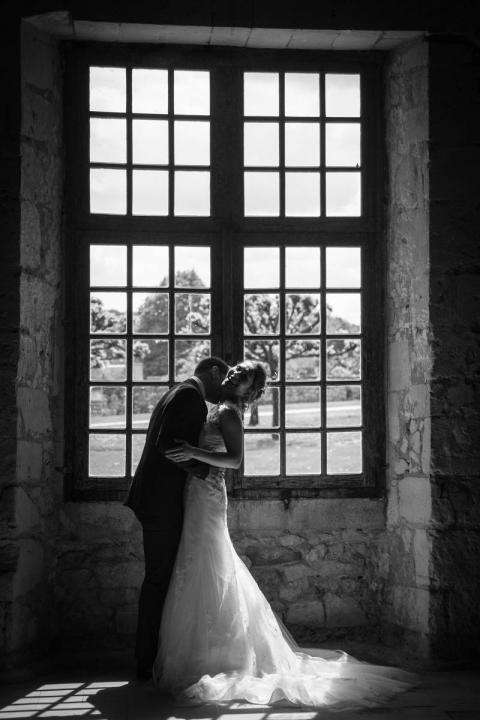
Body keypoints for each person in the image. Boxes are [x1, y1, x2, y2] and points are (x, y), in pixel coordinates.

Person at [153, 360, 415, 709]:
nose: (234, 375)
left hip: (209, 493)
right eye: (235, 370)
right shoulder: (219, 407)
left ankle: (219, 654)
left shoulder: (229, 413)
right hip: (197, 489)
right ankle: (210, 647)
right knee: (200, 561)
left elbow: (233, 461)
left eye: (243, 377)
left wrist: (191, 452)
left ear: (252, 391)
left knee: (207, 560)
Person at [124, 356, 230, 679]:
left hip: (156, 498)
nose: (223, 392)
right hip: (160, 501)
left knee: (161, 578)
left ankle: (153, 656)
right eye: (222, 382)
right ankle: (146, 661)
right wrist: (204, 470)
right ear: (213, 373)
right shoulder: (190, 397)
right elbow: (166, 445)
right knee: (158, 580)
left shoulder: (178, 391)